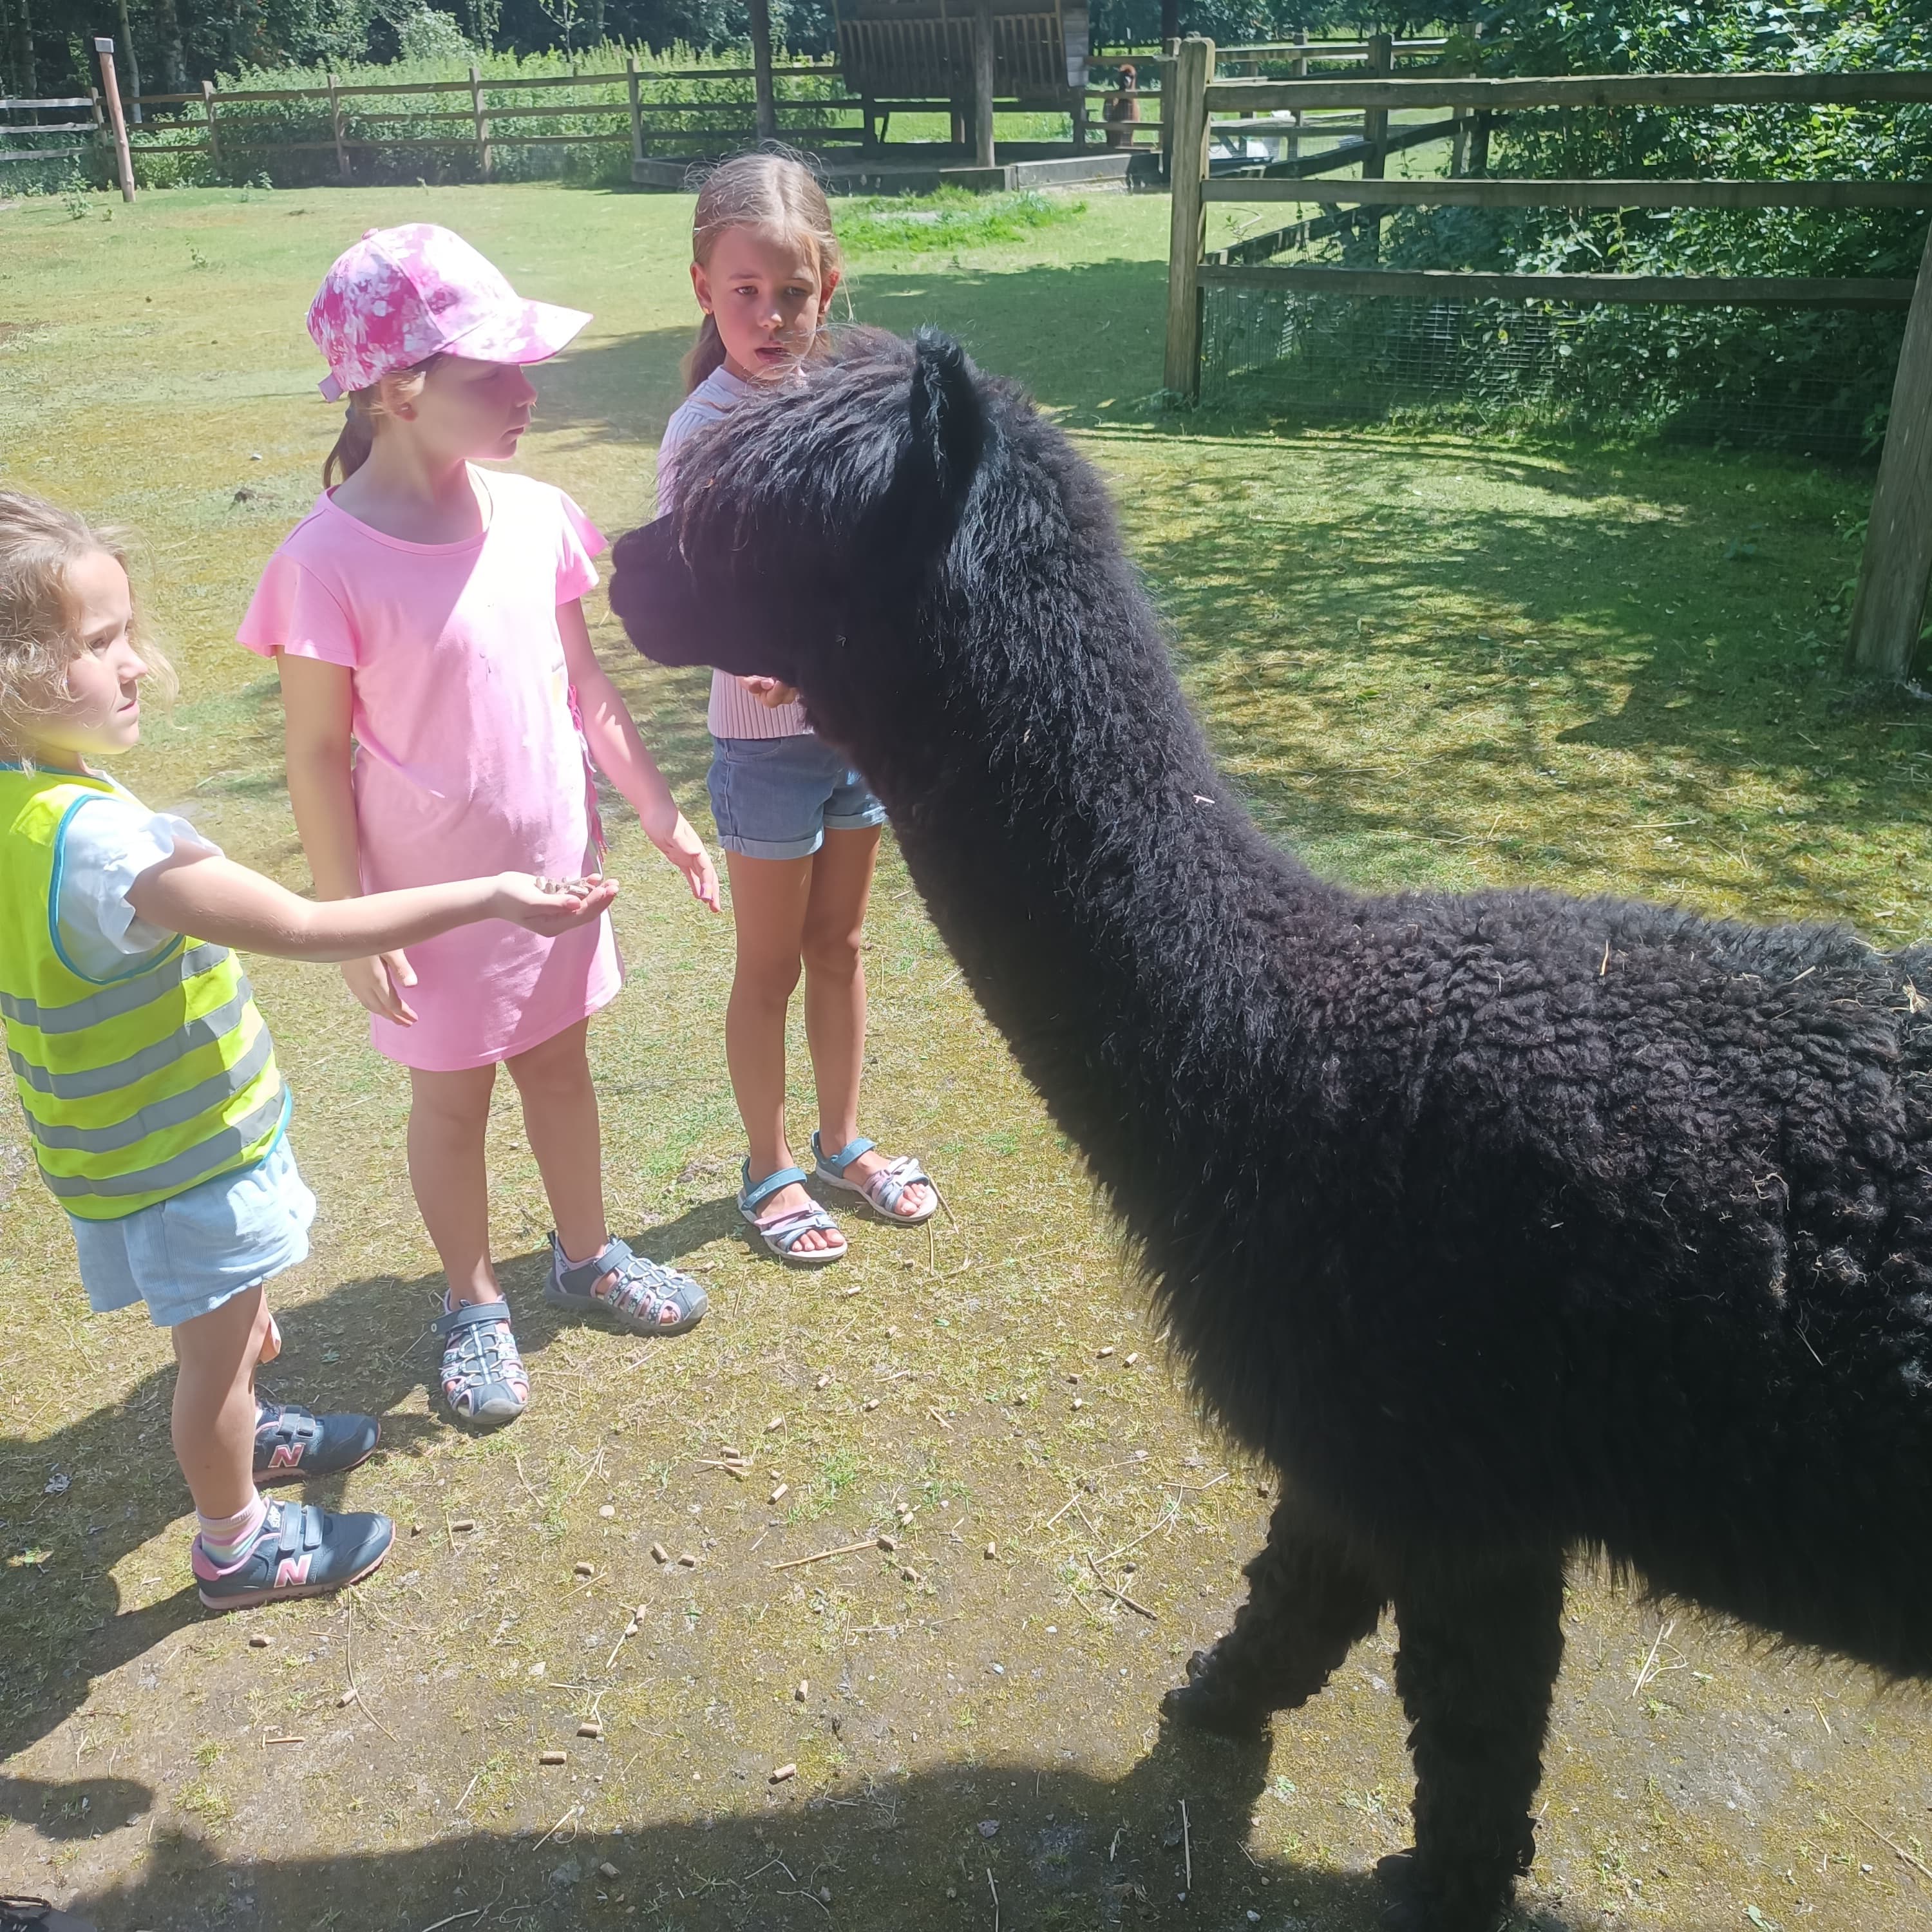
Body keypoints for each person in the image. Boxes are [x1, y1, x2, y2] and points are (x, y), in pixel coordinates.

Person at [0, 488, 614, 1607]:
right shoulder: (106, 846)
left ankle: (249, 1425)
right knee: (215, 1359)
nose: (135, 663)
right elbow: (308, 926)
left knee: (231, 1332)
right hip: (185, 1151)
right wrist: (490, 895)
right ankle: (236, 1542)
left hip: (116, 1147)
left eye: (125, 632)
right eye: (99, 643)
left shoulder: (23, 804)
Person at [240, 224, 718, 1430]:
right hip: (428, 904)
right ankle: (471, 1300)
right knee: (451, 1101)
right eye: (492, 373)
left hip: (558, 878)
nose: (526, 392)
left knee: (562, 1071)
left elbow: (586, 690)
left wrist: (661, 815)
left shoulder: (538, 515)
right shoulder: (326, 562)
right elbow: (310, 757)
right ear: (399, 391)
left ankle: (589, 1252)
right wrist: (351, 925)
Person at [657, 153, 938, 1267]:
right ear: (703, 289)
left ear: (830, 284)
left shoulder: (851, 400)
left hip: (855, 732)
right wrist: (764, 653)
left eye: (794, 295)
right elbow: (698, 591)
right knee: (769, 964)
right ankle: (768, 1167)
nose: (772, 318)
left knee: (844, 941)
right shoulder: (702, 427)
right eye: (746, 294)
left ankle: (842, 1141)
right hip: (764, 746)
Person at [1103, 64, 1140, 151]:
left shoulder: (1133, 105)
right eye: (1124, 76)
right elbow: (1106, 117)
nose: (1127, 80)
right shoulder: (1112, 100)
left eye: (1130, 77)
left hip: (1126, 142)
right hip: (1113, 142)